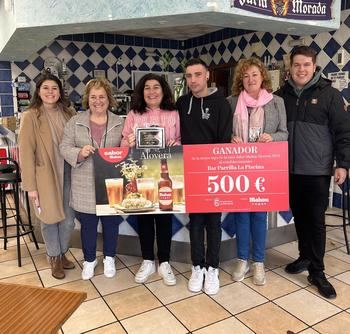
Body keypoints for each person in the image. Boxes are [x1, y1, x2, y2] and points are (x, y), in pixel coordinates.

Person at [277, 46, 350, 299]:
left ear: (314, 66)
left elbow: (343, 132)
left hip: (317, 171)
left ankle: (318, 271)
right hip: (289, 170)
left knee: (316, 221)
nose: (301, 69)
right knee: (299, 216)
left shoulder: (330, 95)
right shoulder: (281, 96)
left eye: (306, 64)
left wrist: (343, 164)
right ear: (290, 67)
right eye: (297, 65)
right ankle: (304, 257)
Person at [227, 57, 288, 285]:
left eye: (254, 74)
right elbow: (223, 133)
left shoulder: (276, 102)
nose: (250, 79)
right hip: (238, 166)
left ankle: (259, 262)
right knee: (241, 214)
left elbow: (285, 133)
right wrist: (229, 139)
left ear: (263, 76)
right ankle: (242, 259)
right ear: (240, 80)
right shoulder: (231, 102)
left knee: (259, 216)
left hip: (264, 168)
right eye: (245, 75)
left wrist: (272, 137)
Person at [176, 58, 232, 295]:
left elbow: (224, 139)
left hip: (214, 172)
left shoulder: (222, 104)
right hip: (190, 172)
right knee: (196, 223)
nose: (193, 80)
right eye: (189, 76)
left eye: (197, 75)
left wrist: (216, 169)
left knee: (213, 223)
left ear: (207, 75)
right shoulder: (182, 103)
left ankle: (213, 268)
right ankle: (197, 266)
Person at [60, 78, 125, 280]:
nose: (98, 101)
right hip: (84, 183)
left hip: (111, 184)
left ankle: (109, 258)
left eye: (102, 97)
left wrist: (127, 146)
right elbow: (64, 147)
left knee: (111, 224)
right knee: (88, 225)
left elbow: (127, 152)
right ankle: (89, 260)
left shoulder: (120, 122)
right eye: (94, 97)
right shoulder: (75, 121)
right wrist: (80, 152)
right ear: (88, 99)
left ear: (109, 99)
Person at [121, 73, 181, 286]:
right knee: (144, 217)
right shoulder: (133, 115)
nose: (152, 91)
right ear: (141, 91)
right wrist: (128, 141)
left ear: (163, 90)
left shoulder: (174, 113)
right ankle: (147, 260)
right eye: (147, 87)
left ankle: (164, 261)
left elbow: (182, 140)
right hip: (142, 174)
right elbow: (122, 147)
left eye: (156, 87)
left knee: (165, 218)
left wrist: (177, 146)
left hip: (166, 173)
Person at [19, 72, 76, 279]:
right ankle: (54, 258)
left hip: (69, 172)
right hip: (45, 174)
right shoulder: (31, 116)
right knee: (50, 218)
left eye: (54, 88)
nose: (50, 92)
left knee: (68, 220)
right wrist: (31, 186)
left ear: (60, 91)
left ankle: (62, 253)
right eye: (46, 88)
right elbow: (25, 152)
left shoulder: (68, 112)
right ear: (39, 91)